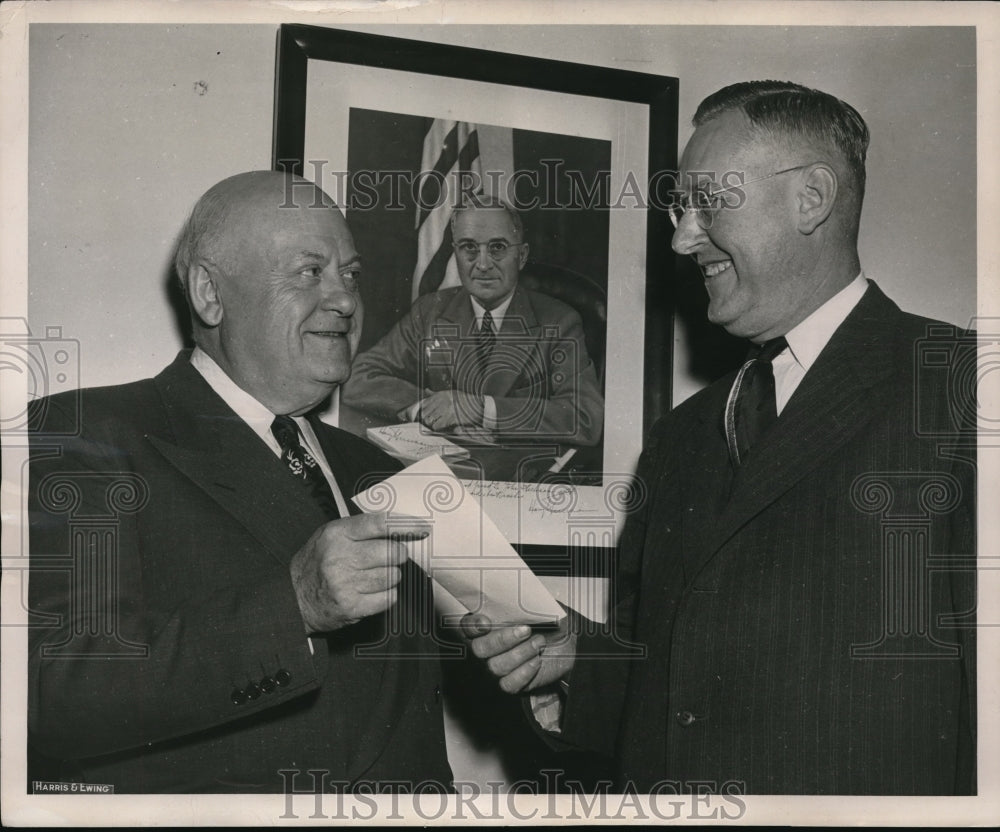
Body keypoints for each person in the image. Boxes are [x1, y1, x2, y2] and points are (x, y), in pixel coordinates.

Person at [462, 82, 976, 795]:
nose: (681, 237)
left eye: (709, 202)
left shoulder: (960, 390)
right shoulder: (681, 435)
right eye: (681, 207)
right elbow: (673, 698)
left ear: (812, 198)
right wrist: (580, 663)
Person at [27, 171, 453, 793]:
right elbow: (58, 697)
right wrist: (295, 606)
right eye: (310, 271)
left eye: (351, 274)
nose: (345, 299)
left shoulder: (381, 471)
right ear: (209, 292)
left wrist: (537, 677)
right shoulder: (84, 435)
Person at [341, 198, 604, 447]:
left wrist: (479, 409)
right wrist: (429, 409)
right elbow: (359, 376)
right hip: (444, 465)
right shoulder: (430, 310)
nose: (483, 264)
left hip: (515, 475)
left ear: (522, 256)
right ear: (455, 253)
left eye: (497, 248)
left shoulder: (560, 321)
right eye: (469, 247)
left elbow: (584, 417)